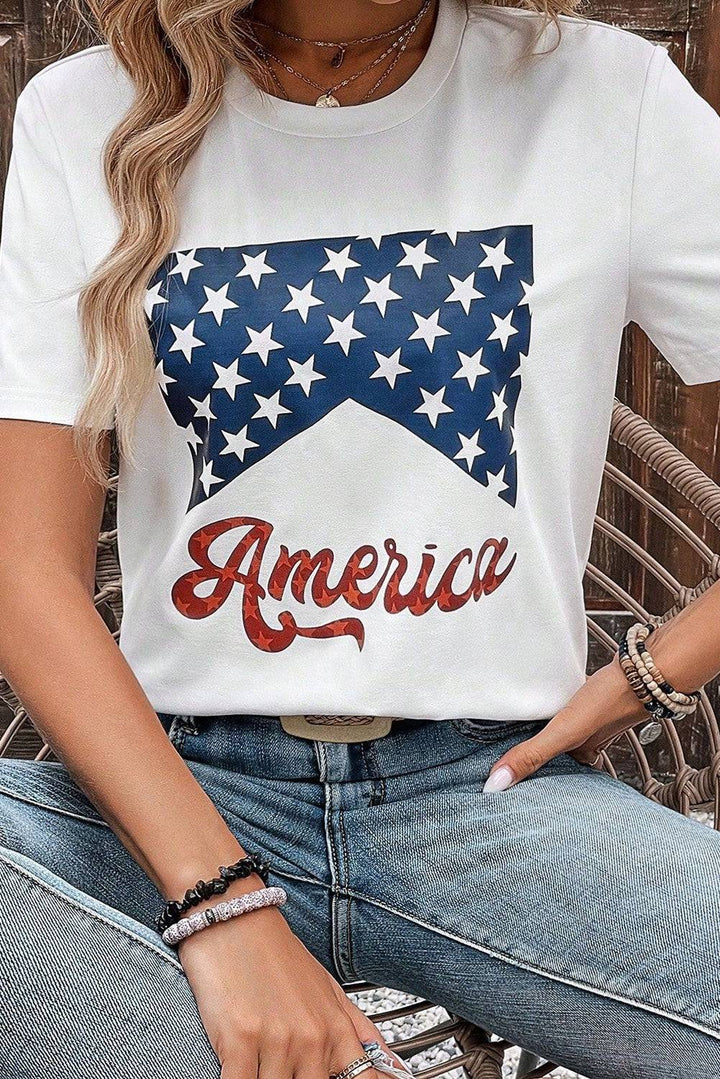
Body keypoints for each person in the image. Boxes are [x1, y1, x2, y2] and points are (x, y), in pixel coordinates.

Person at [0, 0, 719, 1076]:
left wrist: (653, 672)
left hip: (491, 791)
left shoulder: (606, 94)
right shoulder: (85, 108)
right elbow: (23, 569)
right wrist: (221, 902)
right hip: (172, 793)